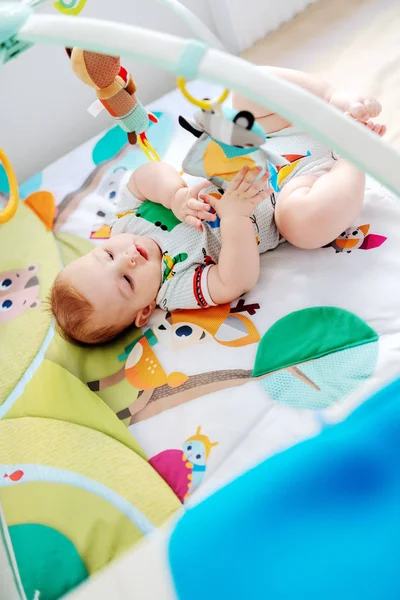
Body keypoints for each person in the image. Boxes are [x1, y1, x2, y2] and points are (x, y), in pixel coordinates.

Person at [50, 67, 385, 345]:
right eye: (126, 281)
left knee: (241, 92)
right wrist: (234, 217)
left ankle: (329, 102)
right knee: (302, 226)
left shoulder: (125, 224)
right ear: (144, 311)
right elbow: (235, 280)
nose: (128, 258)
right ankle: (353, 152)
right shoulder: (174, 288)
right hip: (295, 187)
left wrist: (175, 197)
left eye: (108, 255)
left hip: (264, 137)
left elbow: (145, 176)